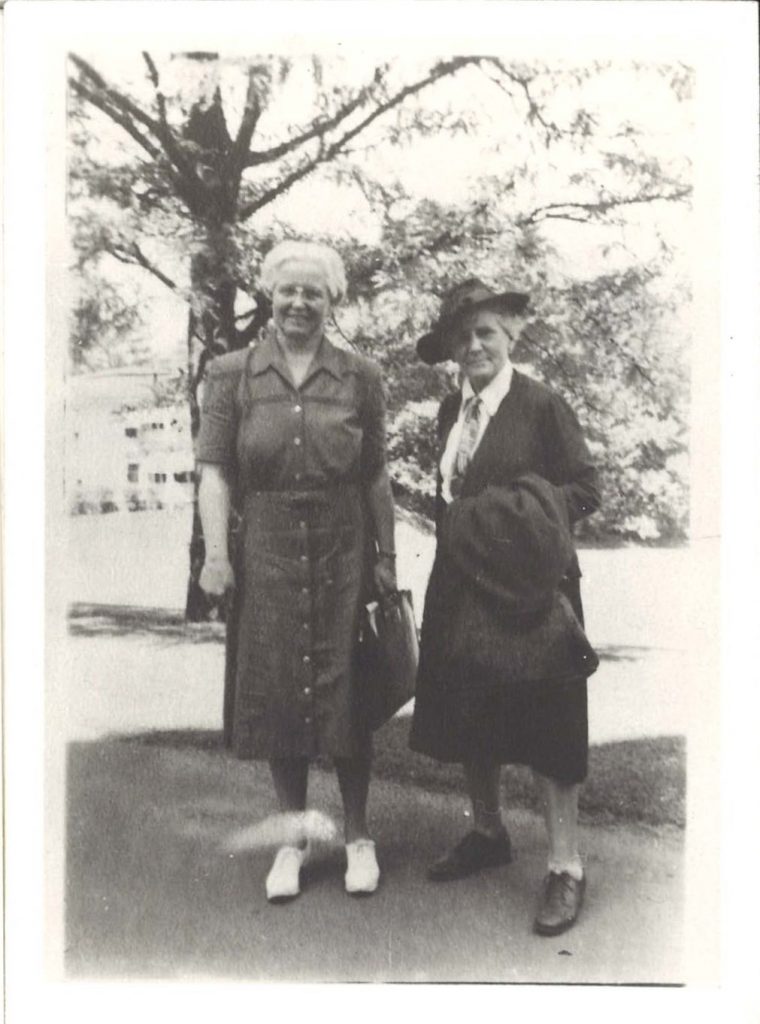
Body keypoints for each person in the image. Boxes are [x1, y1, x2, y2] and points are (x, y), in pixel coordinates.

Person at [196, 240, 396, 902]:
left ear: (332, 301)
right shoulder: (230, 373)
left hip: (345, 546)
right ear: (269, 296)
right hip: (269, 550)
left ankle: (359, 837)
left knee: (348, 691)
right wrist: (218, 558)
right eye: (289, 290)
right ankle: (293, 840)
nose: (300, 303)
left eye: (314, 292)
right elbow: (215, 472)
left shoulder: (362, 375)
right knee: (282, 692)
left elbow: (375, 477)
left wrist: (386, 559)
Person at [410, 278, 601, 936]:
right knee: (471, 709)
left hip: (533, 591)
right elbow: (446, 498)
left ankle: (567, 866)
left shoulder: (541, 405)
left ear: (511, 336)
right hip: (464, 587)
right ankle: (488, 832)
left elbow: (585, 487)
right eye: (462, 337)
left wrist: (516, 520)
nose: (473, 346)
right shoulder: (447, 412)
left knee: (551, 720)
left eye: (485, 332)